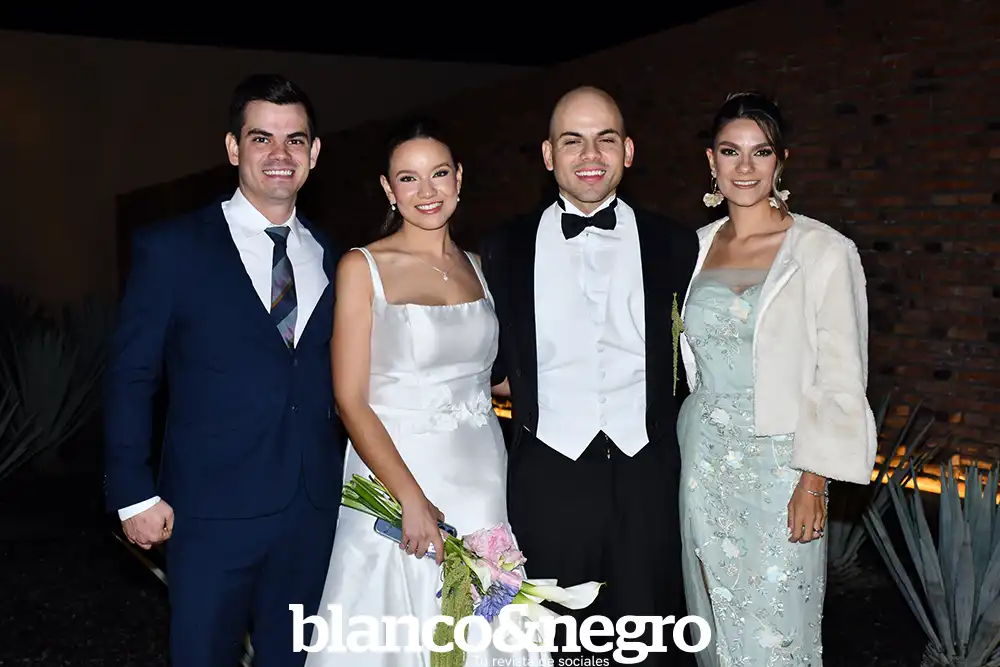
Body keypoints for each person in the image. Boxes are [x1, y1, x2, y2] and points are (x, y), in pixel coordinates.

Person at [103, 74, 344, 667]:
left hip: (313, 511)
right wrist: (132, 492)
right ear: (234, 148)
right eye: (262, 138)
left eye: (295, 139)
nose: (280, 154)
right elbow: (131, 375)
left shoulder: (336, 256)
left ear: (314, 153)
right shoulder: (172, 248)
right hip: (209, 512)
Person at [306, 119, 548, 666]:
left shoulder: (479, 269)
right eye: (408, 178)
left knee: (484, 632)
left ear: (459, 178)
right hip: (401, 476)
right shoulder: (363, 267)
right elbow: (349, 398)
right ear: (389, 189)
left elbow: (494, 376)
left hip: (483, 480)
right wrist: (410, 499)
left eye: (438, 174)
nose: (427, 191)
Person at [479, 86, 701, 666]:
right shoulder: (502, 248)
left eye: (605, 139)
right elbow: (488, 363)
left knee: (649, 639)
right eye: (572, 141)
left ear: (628, 150)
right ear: (548, 154)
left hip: (647, 470)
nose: (590, 155)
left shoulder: (677, 244)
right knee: (557, 644)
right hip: (546, 473)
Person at [676, 92, 878, 666]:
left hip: (784, 465)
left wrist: (814, 481)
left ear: (781, 160)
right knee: (717, 623)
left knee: (778, 629)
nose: (745, 167)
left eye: (760, 152)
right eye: (730, 152)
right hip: (704, 460)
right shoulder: (692, 249)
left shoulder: (822, 250)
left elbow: (841, 375)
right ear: (710, 160)